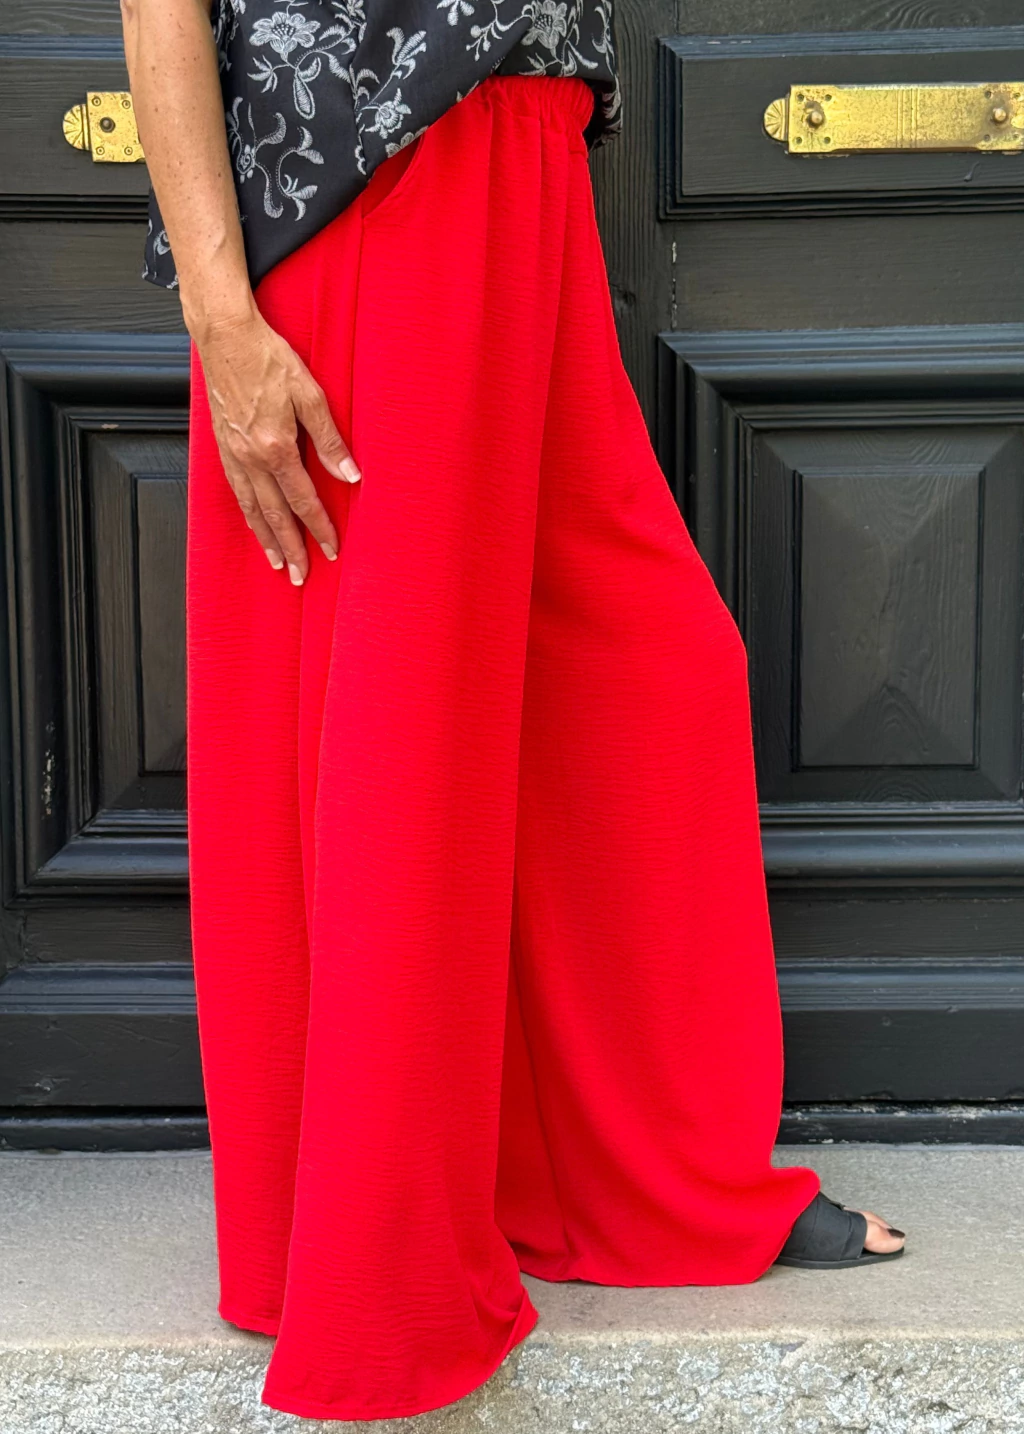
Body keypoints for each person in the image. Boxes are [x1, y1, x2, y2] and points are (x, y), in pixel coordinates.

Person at [121, 0, 906, 1420]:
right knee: (401, 741)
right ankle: (373, 1266)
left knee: (636, 671)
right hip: (372, 184)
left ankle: (638, 1180)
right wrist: (223, 319)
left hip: (526, 160)